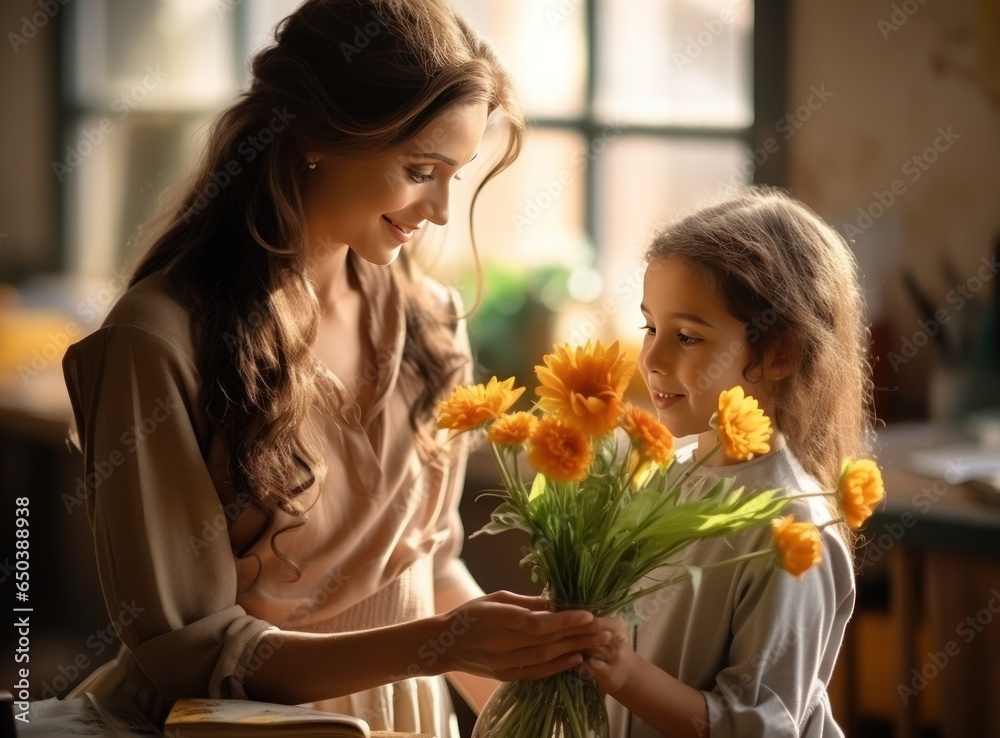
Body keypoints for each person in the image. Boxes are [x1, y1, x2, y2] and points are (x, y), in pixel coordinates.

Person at [58, 1, 608, 734]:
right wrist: (434, 647)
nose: (442, 209)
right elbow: (185, 652)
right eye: (420, 169)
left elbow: (431, 572)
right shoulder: (156, 342)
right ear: (316, 134)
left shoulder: (431, 323)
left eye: (456, 174)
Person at [589, 187, 872, 737]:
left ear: (780, 353)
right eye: (650, 327)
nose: (652, 358)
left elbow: (758, 727)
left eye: (688, 336)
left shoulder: (793, 534)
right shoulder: (663, 478)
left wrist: (622, 673)